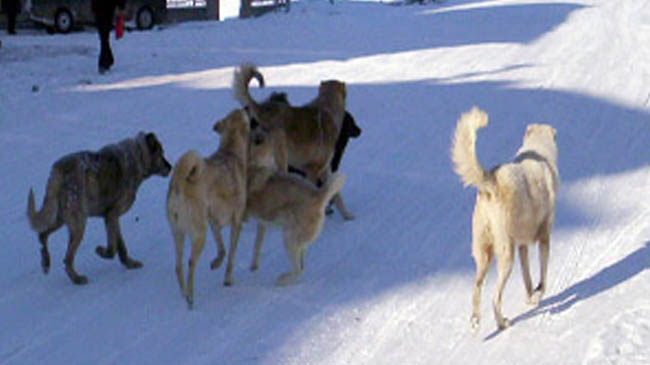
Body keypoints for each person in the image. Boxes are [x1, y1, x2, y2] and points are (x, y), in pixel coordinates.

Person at [91, 0, 125, 74]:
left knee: (104, 36)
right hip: (107, 7)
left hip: (102, 8)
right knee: (104, 37)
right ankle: (107, 60)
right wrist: (121, 6)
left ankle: (104, 62)